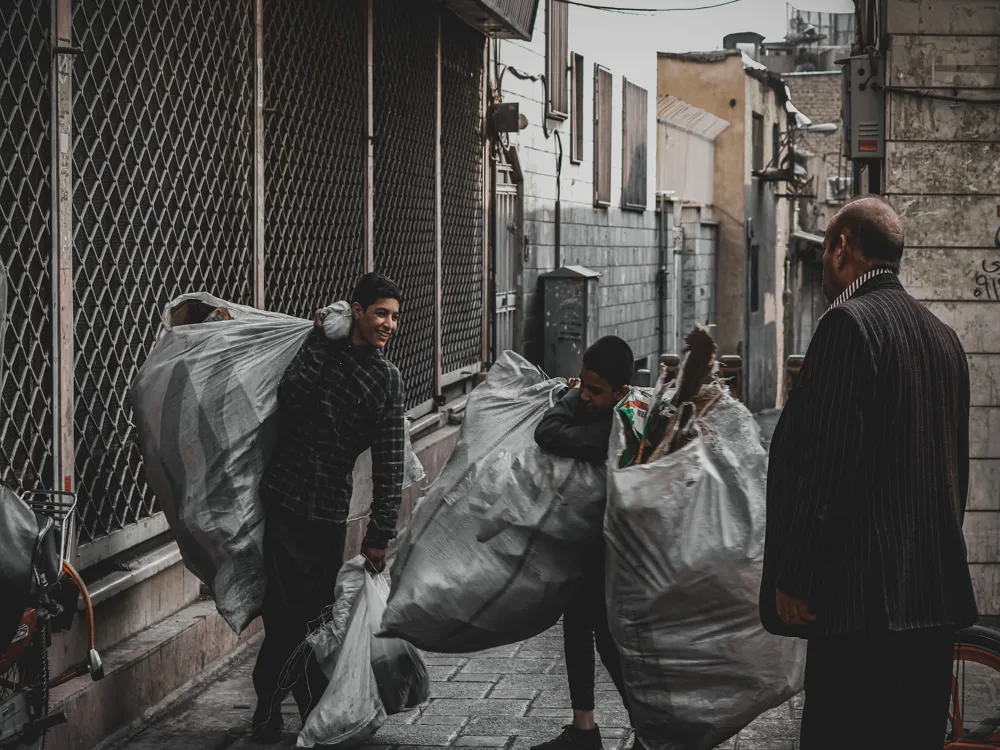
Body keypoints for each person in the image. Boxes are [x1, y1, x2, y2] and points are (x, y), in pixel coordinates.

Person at [760, 197, 978, 749]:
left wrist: (797, 577)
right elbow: (956, 474)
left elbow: (825, 470)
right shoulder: (943, 338)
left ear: (841, 247)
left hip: (861, 608)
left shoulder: (847, 326)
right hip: (931, 600)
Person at [251, 273, 406, 743]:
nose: (389, 324)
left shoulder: (386, 379)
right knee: (282, 612)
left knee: (318, 614)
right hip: (285, 499)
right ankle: (274, 704)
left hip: (329, 511)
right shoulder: (319, 351)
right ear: (356, 310)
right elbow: (290, 398)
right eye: (381, 313)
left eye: (395, 316)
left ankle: (301, 703)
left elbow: (390, 460)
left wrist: (379, 534)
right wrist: (321, 339)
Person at [531, 336, 644, 750]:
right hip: (591, 540)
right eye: (585, 385)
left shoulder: (609, 429)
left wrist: (568, 398)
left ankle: (643, 727)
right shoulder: (621, 411)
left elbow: (547, 432)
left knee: (606, 638)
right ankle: (584, 728)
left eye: (596, 390)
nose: (587, 396)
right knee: (580, 625)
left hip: (609, 548)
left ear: (620, 391)